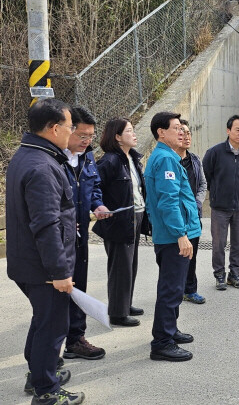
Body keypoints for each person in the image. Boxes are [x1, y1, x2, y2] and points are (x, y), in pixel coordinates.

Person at [6, 98, 85, 404]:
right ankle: (46, 391)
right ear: (54, 128)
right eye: (70, 127)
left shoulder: (28, 156)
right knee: (53, 326)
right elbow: (47, 225)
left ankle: (38, 373)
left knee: (43, 320)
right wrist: (60, 272)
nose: (72, 132)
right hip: (44, 269)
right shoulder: (42, 167)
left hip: (29, 263)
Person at [144, 111, 201, 362]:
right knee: (170, 289)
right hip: (171, 236)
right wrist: (181, 235)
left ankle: (170, 330)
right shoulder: (166, 159)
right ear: (161, 132)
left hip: (174, 233)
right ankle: (162, 343)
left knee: (175, 288)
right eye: (176, 128)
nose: (181, 132)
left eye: (182, 128)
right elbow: (168, 202)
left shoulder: (168, 156)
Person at [62, 106, 110, 360]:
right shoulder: (54, 160)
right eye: (82, 135)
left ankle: (75, 339)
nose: (86, 141)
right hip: (59, 238)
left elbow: (94, 188)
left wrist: (98, 205)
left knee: (79, 286)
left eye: (90, 136)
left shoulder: (87, 157)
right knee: (59, 292)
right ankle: (49, 351)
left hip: (80, 236)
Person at [92, 118, 150, 327]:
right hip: (119, 219)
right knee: (120, 266)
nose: (134, 134)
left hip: (135, 216)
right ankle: (117, 313)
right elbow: (94, 187)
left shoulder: (132, 158)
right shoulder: (110, 161)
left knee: (130, 264)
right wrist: (99, 207)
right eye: (129, 131)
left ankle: (125, 304)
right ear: (117, 137)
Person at [202, 114, 239, 290]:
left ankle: (234, 275)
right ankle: (220, 275)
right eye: (237, 130)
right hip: (219, 207)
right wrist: (215, 192)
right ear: (228, 131)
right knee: (218, 244)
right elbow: (206, 176)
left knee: (237, 243)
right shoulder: (214, 152)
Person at [176, 119, 207, 304]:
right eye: (182, 132)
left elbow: (203, 184)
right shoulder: (170, 160)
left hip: (193, 216)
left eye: (188, 133)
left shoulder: (194, 159)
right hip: (177, 217)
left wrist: (197, 203)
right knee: (175, 256)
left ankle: (190, 289)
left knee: (191, 255)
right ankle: (175, 289)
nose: (186, 136)